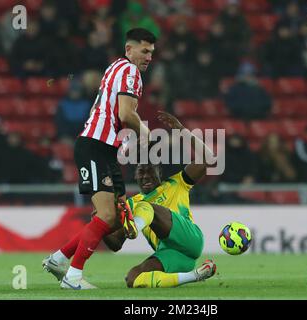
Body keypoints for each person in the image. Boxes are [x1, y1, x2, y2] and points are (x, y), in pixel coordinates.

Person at [42, 28, 156, 290]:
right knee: (106, 214)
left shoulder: (114, 66)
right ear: (129, 49)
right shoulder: (130, 72)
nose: (149, 57)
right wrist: (145, 131)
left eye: (151, 53)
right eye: (144, 51)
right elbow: (126, 114)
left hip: (104, 149)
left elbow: (111, 111)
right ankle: (73, 277)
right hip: (95, 146)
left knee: (114, 218)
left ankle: (58, 259)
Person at [109, 111, 217, 288]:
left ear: (159, 172)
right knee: (133, 278)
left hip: (191, 240)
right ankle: (194, 275)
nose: (145, 176)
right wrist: (99, 219)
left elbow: (208, 159)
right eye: (141, 172)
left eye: (150, 170)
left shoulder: (177, 183)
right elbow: (115, 244)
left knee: (146, 207)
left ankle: (134, 227)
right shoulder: (130, 202)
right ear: (135, 176)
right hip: (171, 254)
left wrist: (182, 131)